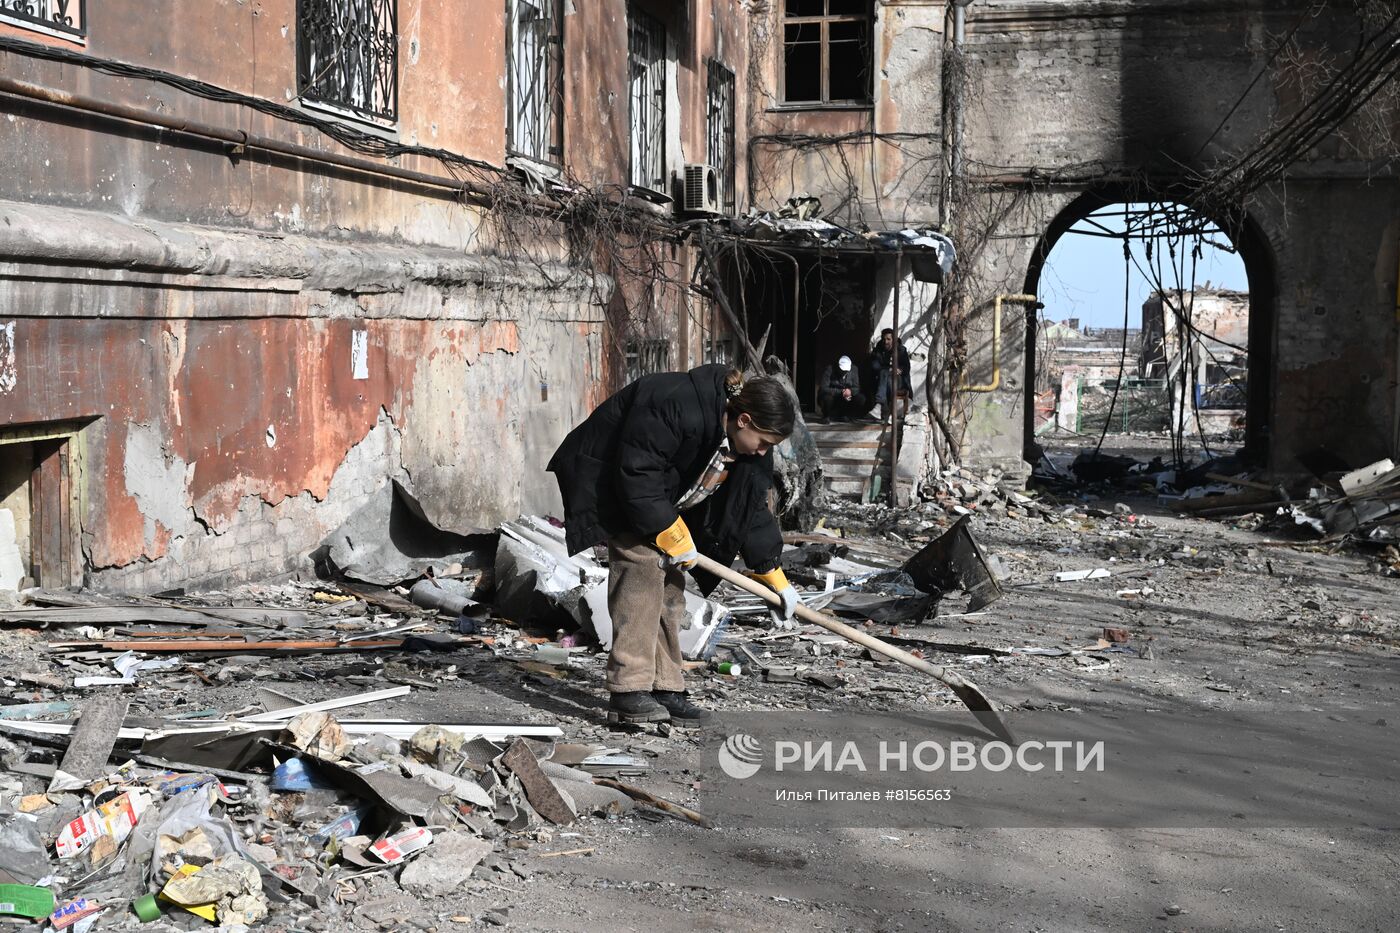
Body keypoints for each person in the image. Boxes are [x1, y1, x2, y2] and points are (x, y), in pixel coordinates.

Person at [547, 365, 801, 726]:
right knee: (642, 568)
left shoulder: (748, 445)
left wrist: (772, 575)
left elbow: (748, 507)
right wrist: (669, 531)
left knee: (671, 587)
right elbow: (637, 473)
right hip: (611, 480)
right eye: (763, 443)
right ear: (744, 419)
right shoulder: (676, 403)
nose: (763, 453)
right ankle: (629, 690)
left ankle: (665, 686)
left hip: (657, 494)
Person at [870, 328, 912, 421]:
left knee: (886, 378)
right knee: (885, 377)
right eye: (884, 339)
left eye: (888, 339)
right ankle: (887, 413)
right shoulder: (878, 350)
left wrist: (899, 369)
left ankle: (880, 408)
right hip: (884, 379)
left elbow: (906, 367)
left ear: (894, 340)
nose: (886, 342)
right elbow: (874, 365)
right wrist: (888, 369)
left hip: (899, 380)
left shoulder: (901, 350)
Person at [816, 355, 866, 421]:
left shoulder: (854, 369)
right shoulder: (830, 369)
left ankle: (847, 415)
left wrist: (850, 391)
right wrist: (842, 391)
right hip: (833, 396)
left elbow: (857, 388)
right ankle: (826, 416)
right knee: (827, 398)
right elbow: (824, 388)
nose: (844, 372)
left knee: (861, 398)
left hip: (846, 398)